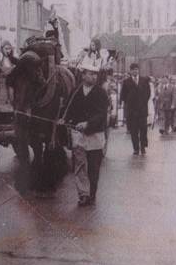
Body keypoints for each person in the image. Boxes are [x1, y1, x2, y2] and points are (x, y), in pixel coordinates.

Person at [61, 61, 109, 206]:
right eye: (90, 74)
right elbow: (69, 109)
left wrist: (88, 124)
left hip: (95, 135)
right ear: (83, 75)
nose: (93, 77)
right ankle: (83, 194)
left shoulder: (101, 93)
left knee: (94, 168)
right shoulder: (76, 91)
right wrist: (64, 119)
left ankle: (92, 194)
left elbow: (102, 113)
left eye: (95, 74)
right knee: (80, 166)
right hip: (79, 136)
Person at [119, 63, 151, 155]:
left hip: (142, 110)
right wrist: (129, 103)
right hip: (132, 111)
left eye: (136, 69)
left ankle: (143, 146)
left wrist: (143, 102)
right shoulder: (126, 82)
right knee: (134, 130)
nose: (135, 71)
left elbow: (148, 93)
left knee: (143, 129)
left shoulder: (144, 80)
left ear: (138, 70)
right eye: (133, 69)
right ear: (130, 71)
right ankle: (136, 148)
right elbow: (123, 95)